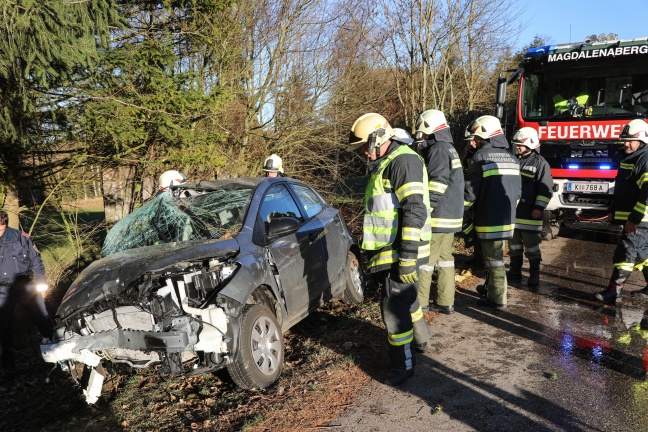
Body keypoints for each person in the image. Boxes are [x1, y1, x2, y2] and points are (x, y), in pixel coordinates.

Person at [348, 112, 432, 386]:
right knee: (406, 300)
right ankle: (422, 340)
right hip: (392, 250)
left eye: (364, 145)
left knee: (393, 309)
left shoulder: (402, 161)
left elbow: (414, 210)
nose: (363, 151)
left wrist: (407, 257)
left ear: (378, 139)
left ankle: (402, 366)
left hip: (401, 251)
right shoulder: (388, 162)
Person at [464, 115, 521, 309]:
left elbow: (470, 193)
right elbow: (518, 192)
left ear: (486, 136)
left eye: (477, 138)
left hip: (488, 218)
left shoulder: (480, 158)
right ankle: (492, 289)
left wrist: (461, 212)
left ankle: (497, 298)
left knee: (494, 260)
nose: (474, 142)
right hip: (507, 218)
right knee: (495, 256)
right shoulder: (513, 158)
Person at [414, 110, 464, 314]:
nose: (421, 137)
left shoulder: (439, 149)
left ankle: (421, 303)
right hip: (452, 215)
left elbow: (438, 181)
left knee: (426, 260)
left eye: (422, 132)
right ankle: (446, 302)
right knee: (445, 259)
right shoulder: (449, 148)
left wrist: (426, 208)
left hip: (438, 214)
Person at [595, 119, 648, 304]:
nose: (625, 143)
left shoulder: (645, 158)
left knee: (626, 252)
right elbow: (624, 189)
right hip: (635, 218)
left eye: (630, 140)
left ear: (642, 140)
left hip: (641, 219)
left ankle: (613, 291)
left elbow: (646, 194)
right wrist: (613, 209)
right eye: (624, 139)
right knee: (642, 254)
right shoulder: (631, 157)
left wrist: (634, 218)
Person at [0, 210, 53, 369]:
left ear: (6, 224)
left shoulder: (21, 239)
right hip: (1, 289)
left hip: (24, 284)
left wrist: (42, 283)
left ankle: (55, 348)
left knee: (42, 317)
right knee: (2, 327)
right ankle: (7, 364)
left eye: (1, 229)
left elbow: (36, 261)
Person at [507, 127, 553, 286]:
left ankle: (534, 275)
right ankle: (514, 273)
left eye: (520, 144)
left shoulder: (540, 164)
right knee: (514, 247)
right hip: (514, 214)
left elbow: (545, 189)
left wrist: (538, 207)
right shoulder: (514, 160)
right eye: (517, 144)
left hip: (530, 215)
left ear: (530, 144)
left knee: (532, 248)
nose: (517, 147)